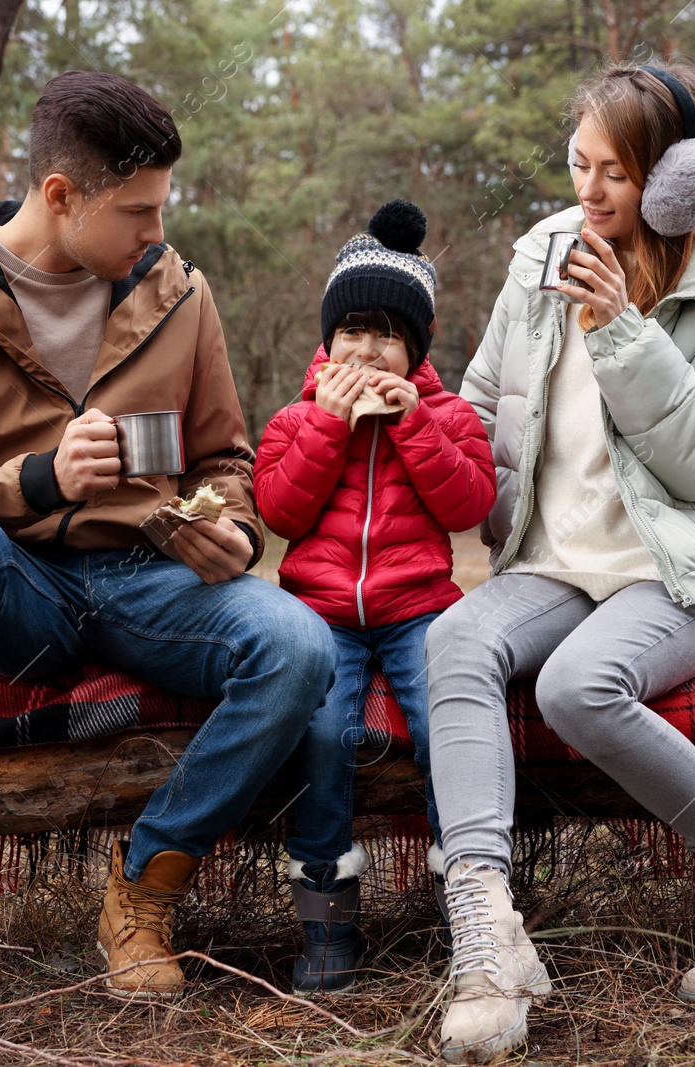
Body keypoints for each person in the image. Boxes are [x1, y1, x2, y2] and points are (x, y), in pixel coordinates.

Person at [0, 70, 335, 1025]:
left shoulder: (179, 293)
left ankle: (144, 893)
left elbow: (225, 454)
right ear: (59, 196)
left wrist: (233, 529)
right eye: (138, 210)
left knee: (299, 646)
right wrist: (35, 479)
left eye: (161, 207)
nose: (156, 231)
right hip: (17, 588)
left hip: (149, 583)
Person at [424, 62, 695, 1062]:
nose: (588, 193)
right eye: (577, 165)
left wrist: (623, 333)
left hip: (681, 572)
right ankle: (489, 937)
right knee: (457, 638)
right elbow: (480, 400)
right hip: (551, 564)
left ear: (678, 177)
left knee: (577, 685)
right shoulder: (540, 257)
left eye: (616, 173)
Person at [253, 200, 494, 993]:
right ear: (328, 341)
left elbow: (467, 506)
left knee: (443, 722)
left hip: (417, 606)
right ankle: (327, 917)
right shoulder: (294, 420)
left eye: (387, 334)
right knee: (322, 732)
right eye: (351, 331)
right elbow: (280, 511)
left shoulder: (449, 414)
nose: (367, 349)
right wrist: (328, 426)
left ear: (414, 349)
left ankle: (467, 906)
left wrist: (415, 425)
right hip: (317, 612)